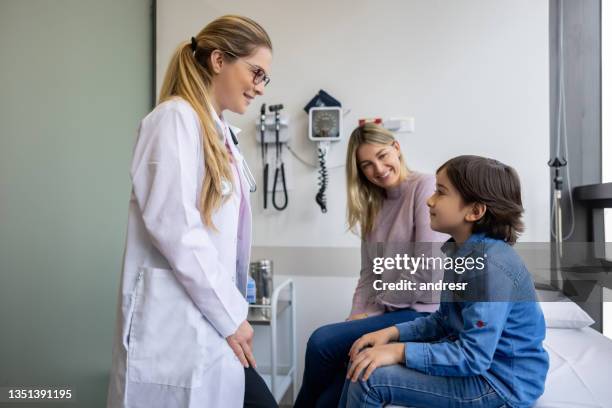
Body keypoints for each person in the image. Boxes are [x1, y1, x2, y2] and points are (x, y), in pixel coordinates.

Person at [106, 15, 278, 408]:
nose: (259, 87)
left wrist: (231, 311)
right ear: (219, 60)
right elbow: (176, 228)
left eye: (265, 78)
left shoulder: (221, 133)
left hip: (210, 316)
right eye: (256, 72)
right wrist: (232, 315)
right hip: (177, 325)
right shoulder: (173, 120)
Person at [340, 155, 549, 408]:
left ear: (475, 211)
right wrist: (391, 334)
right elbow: (444, 321)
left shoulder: (489, 268)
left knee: (369, 378)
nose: (429, 200)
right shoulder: (460, 252)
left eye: (440, 192)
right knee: (363, 358)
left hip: (499, 384)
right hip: (482, 371)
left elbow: (473, 357)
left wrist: (398, 351)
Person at [295, 123, 447, 407]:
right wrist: (358, 316)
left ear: (397, 149)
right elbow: (368, 274)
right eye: (367, 164)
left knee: (321, 341)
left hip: (421, 313)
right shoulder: (371, 204)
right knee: (330, 396)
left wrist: (379, 306)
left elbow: (429, 267)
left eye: (382, 155)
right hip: (387, 314)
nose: (378, 168)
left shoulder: (424, 187)